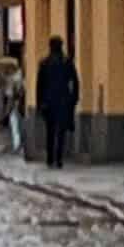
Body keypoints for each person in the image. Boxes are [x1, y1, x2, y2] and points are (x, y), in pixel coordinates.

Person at [35, 35, 79, 171]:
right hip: (63, 101)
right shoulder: (67, 62)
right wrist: (74, 98)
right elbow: (75, 81)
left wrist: (39, 103)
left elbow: (39, 86)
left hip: (48, 102)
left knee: (50, 131)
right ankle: (58, 158)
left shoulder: (44, 63)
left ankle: (50, 158)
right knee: (61, 132)